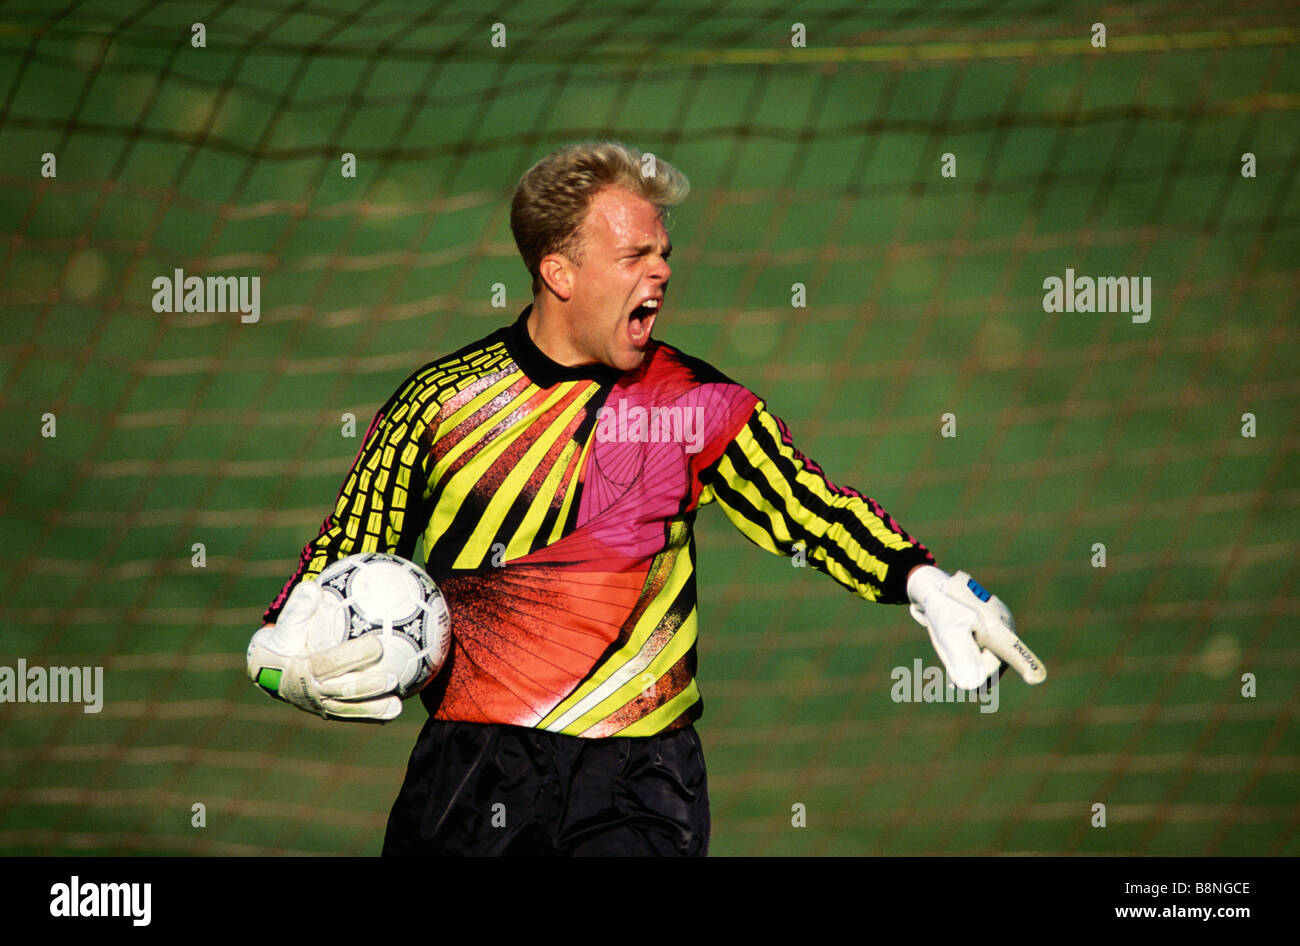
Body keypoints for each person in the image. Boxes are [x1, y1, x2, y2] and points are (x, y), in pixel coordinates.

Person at [245, 141, 1046, 856]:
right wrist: (278, 662)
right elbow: (331, 569)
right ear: (560, 273)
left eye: (663, 252)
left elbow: (809, 507)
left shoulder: (695, 401)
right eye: (633, 254)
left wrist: (923, 583)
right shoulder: (439, 403)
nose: (661, 271)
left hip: (641, 780)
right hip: (471, 772)